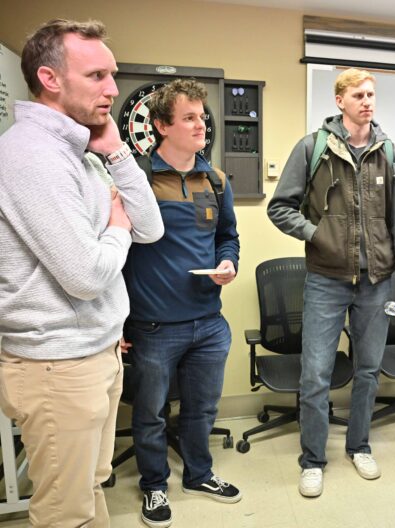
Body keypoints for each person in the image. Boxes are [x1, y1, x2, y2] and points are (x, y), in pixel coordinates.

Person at [0, 19, 163, 527]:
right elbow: (87, 276)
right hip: (56, 366)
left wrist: (116, 151)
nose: (113, 89)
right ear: (50, 78)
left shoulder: (82, 148)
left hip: (95, 351)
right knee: (64, 512)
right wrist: (116, 228)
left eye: (111, 75)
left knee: (90, 489)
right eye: (96, 76)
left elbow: (152, 228)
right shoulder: (33, 155)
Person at [268, 68, 395, 498]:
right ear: (340, 101)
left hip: (376, 282)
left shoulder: (389, 153)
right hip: (326, 281)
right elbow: (280, 208)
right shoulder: (313, 147)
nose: (367, 101)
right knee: (315, 374)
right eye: (358, 94)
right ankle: (313, 459)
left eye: (371, 94)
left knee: (368, 371)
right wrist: (317, 235)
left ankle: (359, 446)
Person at [122, 78, 241, 527]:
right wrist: (117, 326)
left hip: (208, 322)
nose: (200, 125)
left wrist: (228, 264)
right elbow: (115, 252)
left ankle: (199, 473)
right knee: (151, 414)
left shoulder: (215, 178)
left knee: (202, 409)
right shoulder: (136, 179)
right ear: (160, 125)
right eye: (188, 118)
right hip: (154, 326)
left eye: (201, 117)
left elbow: (227, 237)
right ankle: (153, 487)